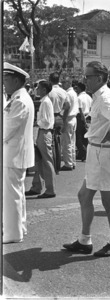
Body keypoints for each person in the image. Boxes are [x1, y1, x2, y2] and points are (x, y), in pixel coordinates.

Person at [63, 61, 110, 257]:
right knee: (84, 196)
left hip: (104, 153)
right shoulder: (100, 96)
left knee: (109, 201)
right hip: (97, 151)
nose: (85, 80)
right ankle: (85, 240)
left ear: (99, 78)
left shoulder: (106, 97)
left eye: (88, 77)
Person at [3, 62, 35, 243]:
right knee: (17, 194)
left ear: (16, 81)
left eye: (6, 80)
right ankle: (19, 227)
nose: (3, 83)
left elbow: (7, 129)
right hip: (15, 154)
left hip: (13, 155)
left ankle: (12, 234)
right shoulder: (17, 98)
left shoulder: (19, 101)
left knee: (11, 196)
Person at [25, 80, 56, 199]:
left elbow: (46, 121)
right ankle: (36, 186)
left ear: (44, 90)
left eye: (39, 88)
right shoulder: (44, 102)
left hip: (44, 131)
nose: (36, 90)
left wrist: (36, 122)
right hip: (41, 131)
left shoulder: (46, 102)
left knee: (47, 162)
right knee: (38, 160)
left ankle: (50, 189)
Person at [49, 72, 67, 173]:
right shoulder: (63, 91)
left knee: (51, 143)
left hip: (52, 116)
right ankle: (58, 165)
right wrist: (62, 114)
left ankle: (54, 165)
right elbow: (67, 105)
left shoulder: (49, 91)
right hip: (59, 116)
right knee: (58, 142)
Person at [60, 77, 79, 171]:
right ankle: (72, 161)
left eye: (64, 82)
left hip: (69, 118)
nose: (62, 84)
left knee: (66, 142)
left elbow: (67, 108)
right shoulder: (74, 93)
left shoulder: (68, 93)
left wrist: (63, 122)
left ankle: (68, 163)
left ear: (68, 83)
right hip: (73, 118)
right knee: (72, 142)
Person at [75, 82, 93, 161]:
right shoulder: (89, 97)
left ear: (79, 88)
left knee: (78, 137)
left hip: (80, 117)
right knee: (85, 137)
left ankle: (83, 152)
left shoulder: (79, 97)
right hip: (88, 115)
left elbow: (80, 109)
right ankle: (84, 152)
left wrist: (83, 119)